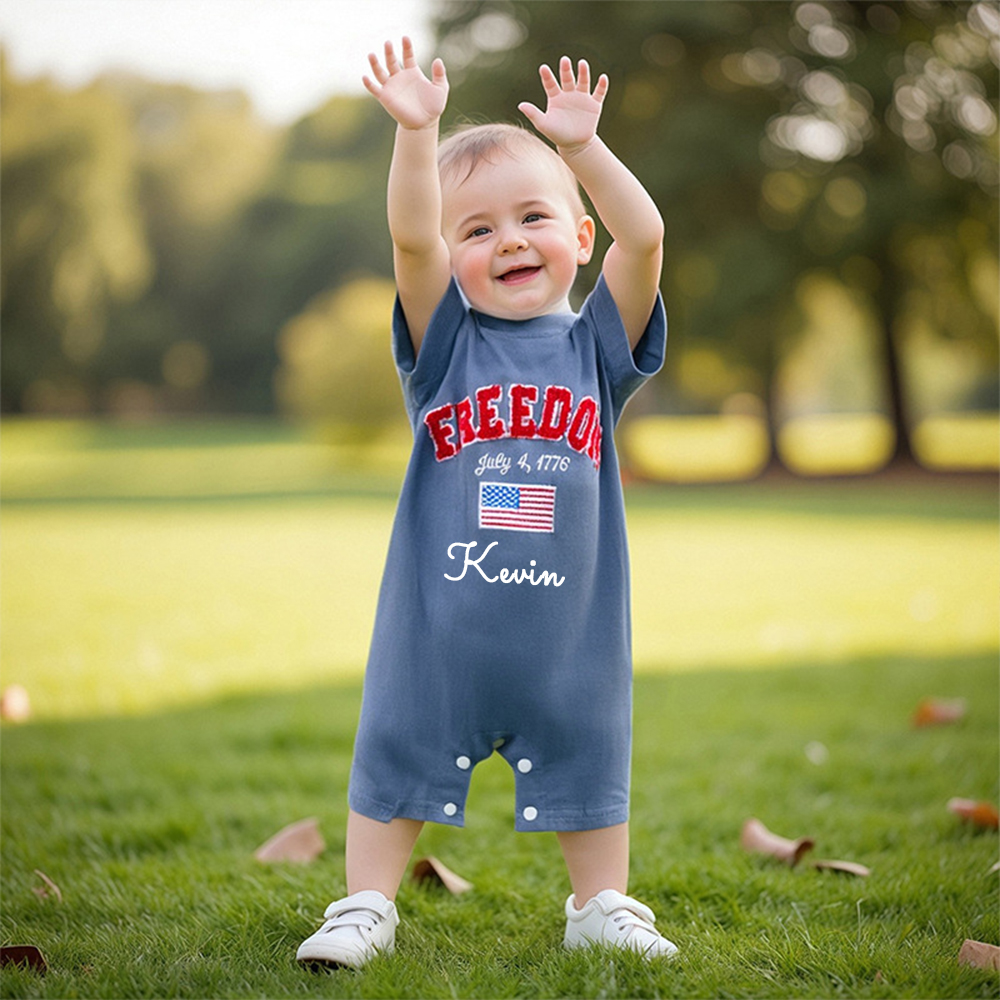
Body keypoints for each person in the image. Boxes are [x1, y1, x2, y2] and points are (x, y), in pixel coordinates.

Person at [296, 36, 676, 969]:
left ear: (578, 238)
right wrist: (417, 134)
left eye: (533, 217)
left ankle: (601, 904)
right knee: (397, 750)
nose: (507, 239)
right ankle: (363, 907)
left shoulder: (596, 350)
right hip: (439, 630)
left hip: (570, 634)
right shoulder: (444, 350)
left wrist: (583, 153)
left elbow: (647, 237)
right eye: (479, 231)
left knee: (590, 755)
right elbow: (412, 236)